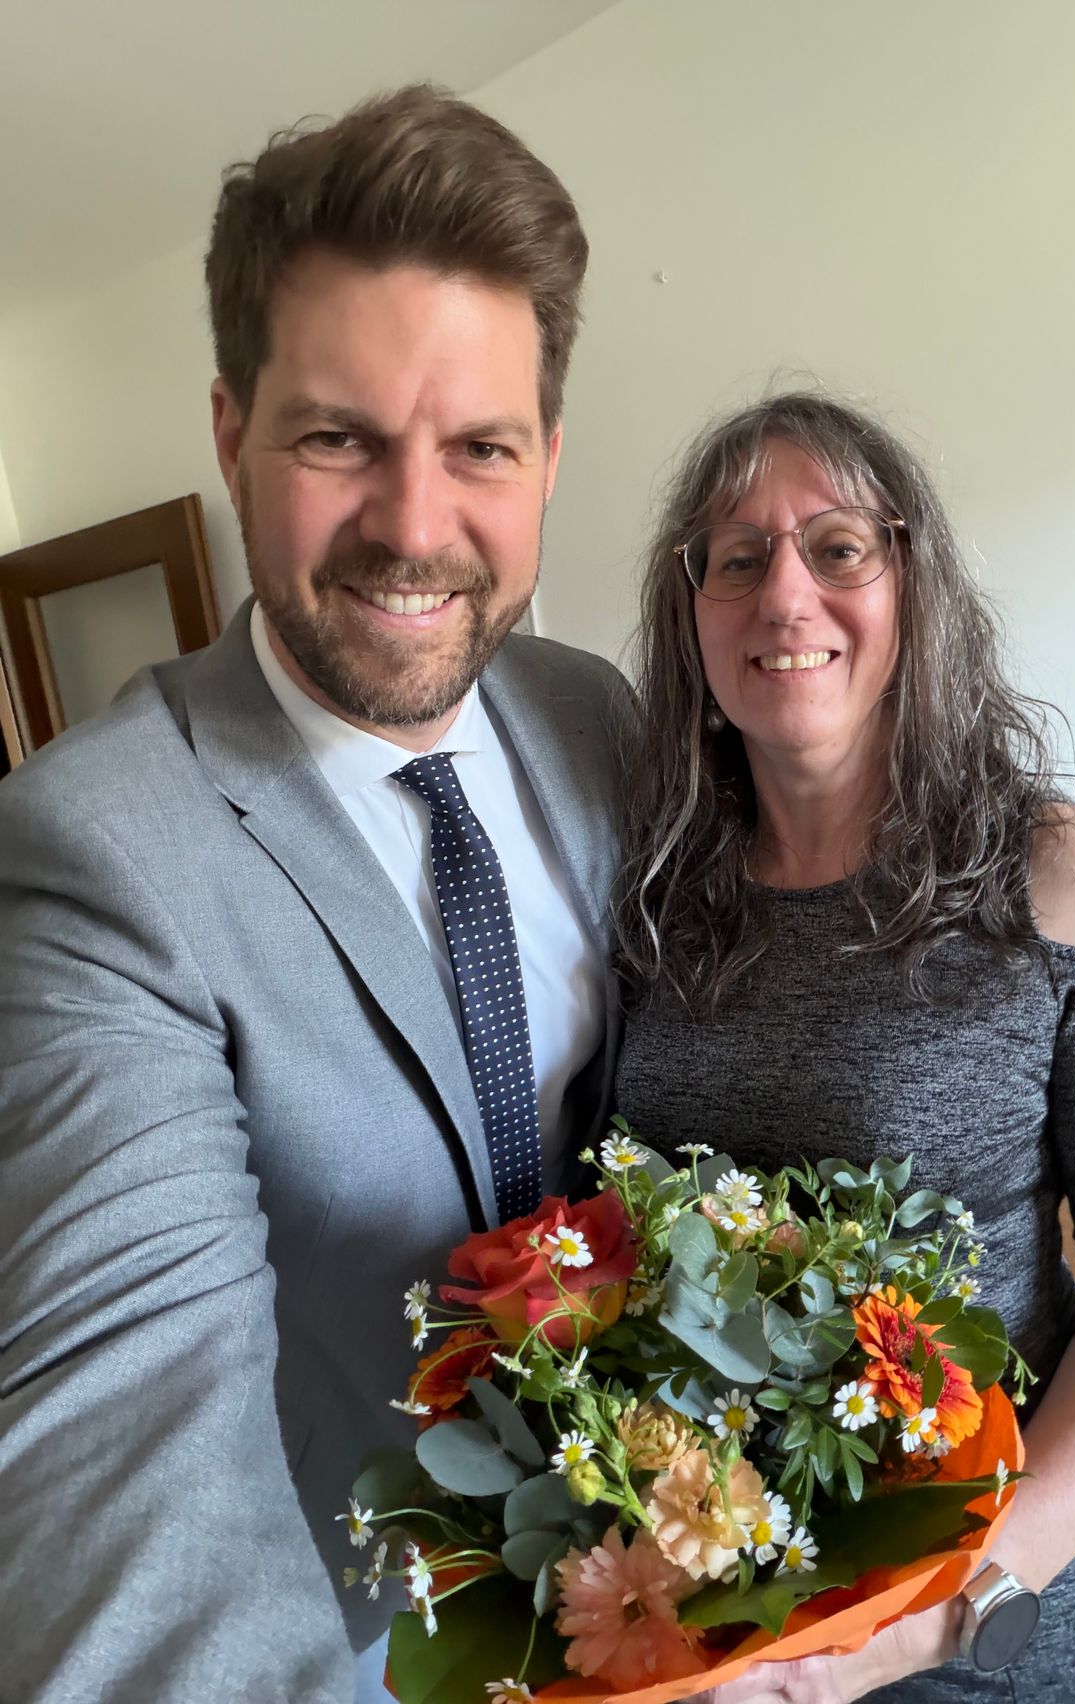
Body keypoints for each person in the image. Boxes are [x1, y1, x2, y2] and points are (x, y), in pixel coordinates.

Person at [0, 86, 630, 1702]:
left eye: (479, 448)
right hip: (362, 1643)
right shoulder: (86, 854)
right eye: (337, 438)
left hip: (659, 1564)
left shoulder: (595, 716)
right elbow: (127, 1451)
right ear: (231, 435)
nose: (414, 529)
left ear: (548, 457)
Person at [613, 391, 1075, 1703]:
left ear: (912, 584)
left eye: (837, 548)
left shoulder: (1060, 879)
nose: (784, 594)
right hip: (708, 1626)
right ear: (692, 616)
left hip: (992, 1647)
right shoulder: (653, 896)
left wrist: (936, 1613)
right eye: (735, 559)